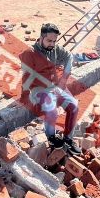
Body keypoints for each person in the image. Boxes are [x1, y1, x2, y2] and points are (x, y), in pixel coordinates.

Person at [20, 23, 80, 154]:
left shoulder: (55, 49)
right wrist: (24, 96)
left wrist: (64, 78)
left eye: (54, 41)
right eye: (49, 41)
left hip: (56, 87)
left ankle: (68, 139)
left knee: (74, 106)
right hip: (39, 89)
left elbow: (69, 56)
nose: (52, 44)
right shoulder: (29, 53)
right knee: (52, 111)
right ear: (41, 37)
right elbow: (26, 77)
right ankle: (51, 138)